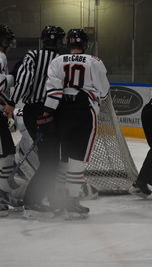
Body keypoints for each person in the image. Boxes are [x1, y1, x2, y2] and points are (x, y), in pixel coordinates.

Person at [41, 28, 110, 218]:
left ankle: (57, 197)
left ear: (68, 43)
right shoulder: (94, 61)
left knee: (63, 156)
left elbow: (53, 90)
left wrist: (49, 113)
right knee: (78, 156)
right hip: (83, 111)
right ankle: (72, 200)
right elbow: (103, 91)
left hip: (62, 111)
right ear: (85, 44)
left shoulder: (57, 61)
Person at [4, 25, 65, 216]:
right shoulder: (61, 60)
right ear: (60, 41)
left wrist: (13, 102)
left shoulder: (33, 55)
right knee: (50, 160)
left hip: (35, 112)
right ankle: (33, 199)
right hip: (49, 112)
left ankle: (42, 196)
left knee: (50, 159)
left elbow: (24, 80)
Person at [0, 24, 17, 217]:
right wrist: (14, 76)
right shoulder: (0, 56)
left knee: (7, 153)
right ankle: (1, 194)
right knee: (7, 155)